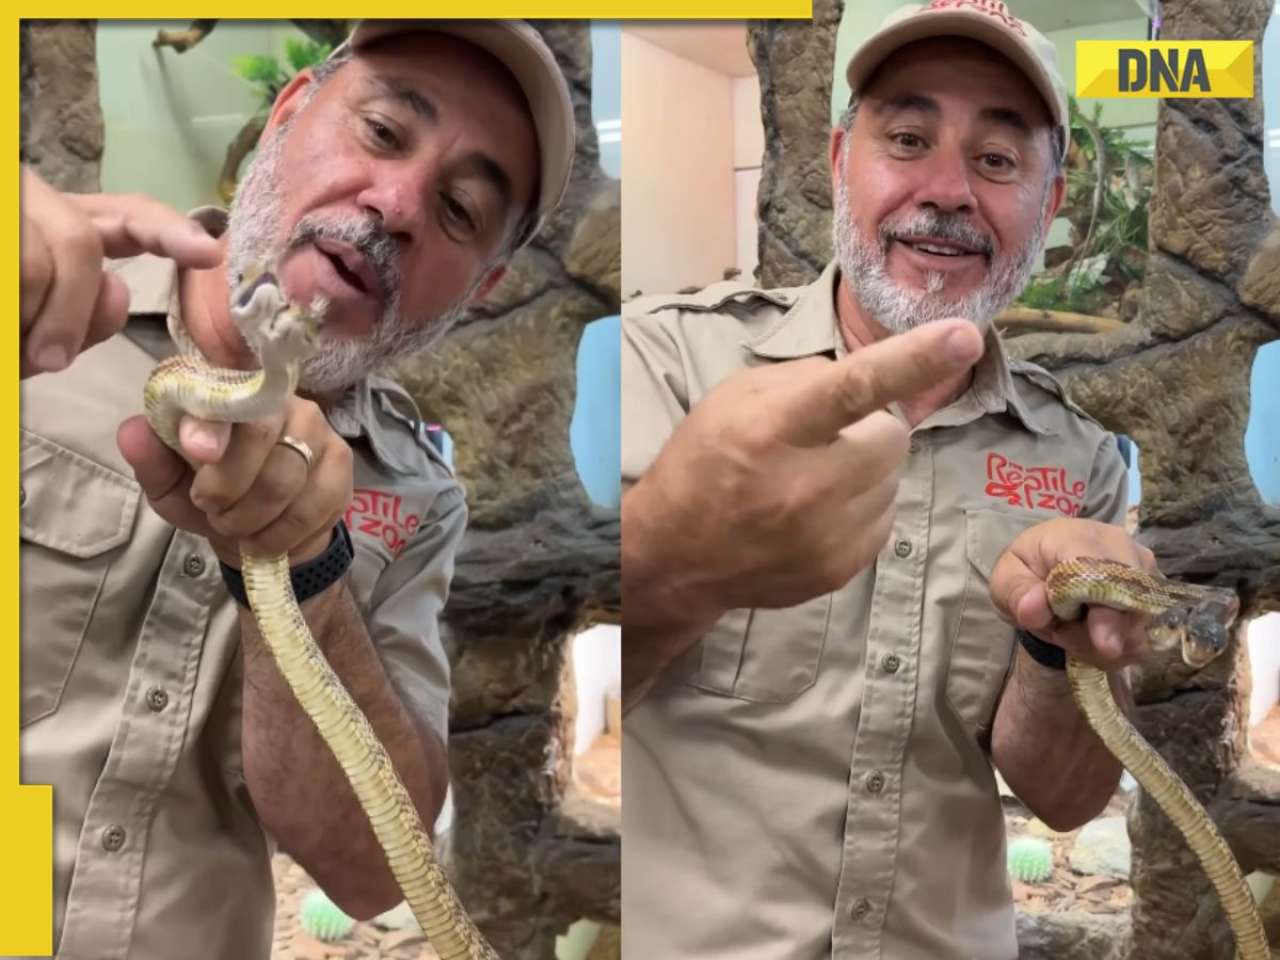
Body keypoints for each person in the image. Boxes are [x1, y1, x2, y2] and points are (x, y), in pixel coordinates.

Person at [18, 20, 573, 959]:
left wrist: (311, 578)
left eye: (459, 210)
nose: (394, 203)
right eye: (384, 132)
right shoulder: (46, 300)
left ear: (483, 288)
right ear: (284, 116)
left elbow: (370, 874)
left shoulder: (415, 495)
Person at [621, 2, 1159, 957]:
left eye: (997, 161)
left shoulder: (1080, 461)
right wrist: (680, 557)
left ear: (1053, 197)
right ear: (839, 160)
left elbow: (1068, 799)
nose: (948, 189)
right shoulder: (660, 369)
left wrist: (1055, 645)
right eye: (907, 140)